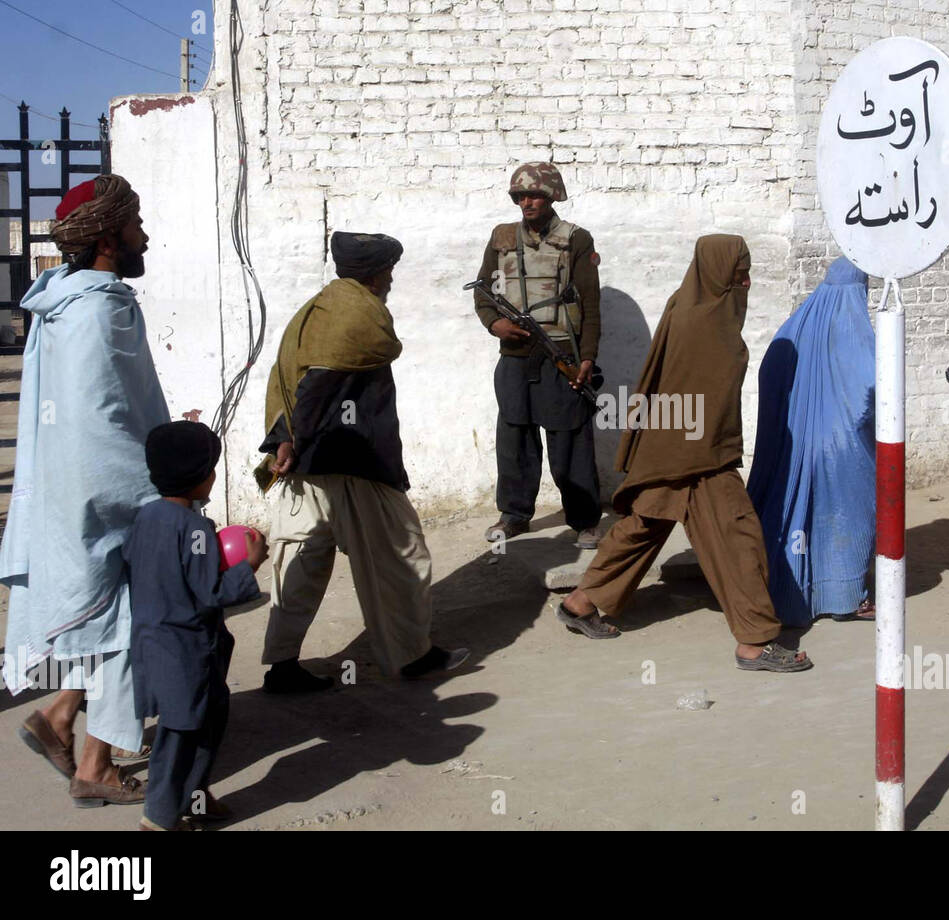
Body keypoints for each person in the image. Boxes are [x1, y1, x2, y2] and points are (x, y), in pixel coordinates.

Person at [559, 235, 812, 672]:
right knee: (738, 538)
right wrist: (706, 448)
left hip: (671, 444)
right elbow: (699, 390)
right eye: (739, 274)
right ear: (718, 273)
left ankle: (581, 602)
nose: (747, 282)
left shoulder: (689, 303)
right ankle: (755, 642)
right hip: (697, 455)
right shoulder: (707, 321)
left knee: (643, 525)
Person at [0, 174, 169, 807]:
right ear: (106, 237)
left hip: (69, 494)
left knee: (107, 617)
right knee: (130, 618)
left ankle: (60, 718)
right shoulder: (102, 307)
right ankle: (95, 766)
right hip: (106, 496)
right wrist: (162, 487)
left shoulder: (62, 298)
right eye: (134, 225)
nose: (143, 235)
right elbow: (102, 422)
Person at [257, 231, 468, 693]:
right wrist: (297, 441)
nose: (392, 277)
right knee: (402, 557)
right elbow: (318, 385)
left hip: (304, 467)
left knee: (299, 564)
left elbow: (284, 378)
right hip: (353, 462)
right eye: (390, 269)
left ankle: (282, 665)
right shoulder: (356, 316)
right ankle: (411, 656)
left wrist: (284, 442)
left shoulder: (317, 308)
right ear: (377, 272)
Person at [124, 422, 266, 830]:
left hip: (156, 645)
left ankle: (195, 798)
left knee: (207, 722)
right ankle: (158, 818)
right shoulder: (194, 529)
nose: (215, 475)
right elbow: (212, 592)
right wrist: (249, 565)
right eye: (212, 468)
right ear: (197, 475)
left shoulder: (146, 518)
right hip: (184, 652)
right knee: (180, 735)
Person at [473, 162, 603, 549]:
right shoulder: (501, 237)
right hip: (514, 356)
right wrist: (494, 324)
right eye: (520, 196)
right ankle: (514, 515)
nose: (526, 202)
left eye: (534, 195)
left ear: (552, 196)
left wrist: (588, 357)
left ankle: (584, 519)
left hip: (560, 351)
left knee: (570, 439)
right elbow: (483, 291)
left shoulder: (576, 239)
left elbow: (591, 305)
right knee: (514, 436)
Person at [747, 257, 876, 626]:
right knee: (846, 517)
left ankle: (783, 588)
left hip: (792, 446)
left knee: (791, 518)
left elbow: (769, 372)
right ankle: (846, 596)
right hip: (842, 451)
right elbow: (872, 394)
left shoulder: (793, 326)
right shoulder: (858, 331)